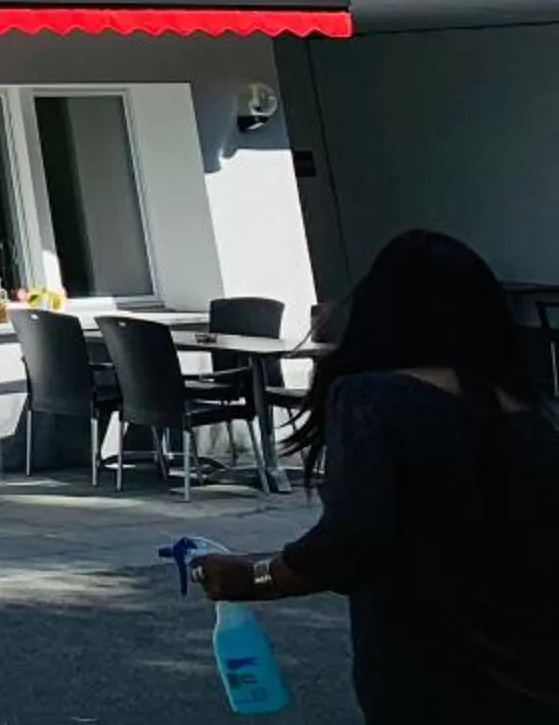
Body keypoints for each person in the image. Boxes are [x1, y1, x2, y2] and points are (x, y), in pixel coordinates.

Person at [195, 229, 559, 720]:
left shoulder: (372, 399)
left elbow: (353, 538)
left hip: (434, 674)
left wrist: (256, 577)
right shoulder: (527, 411)